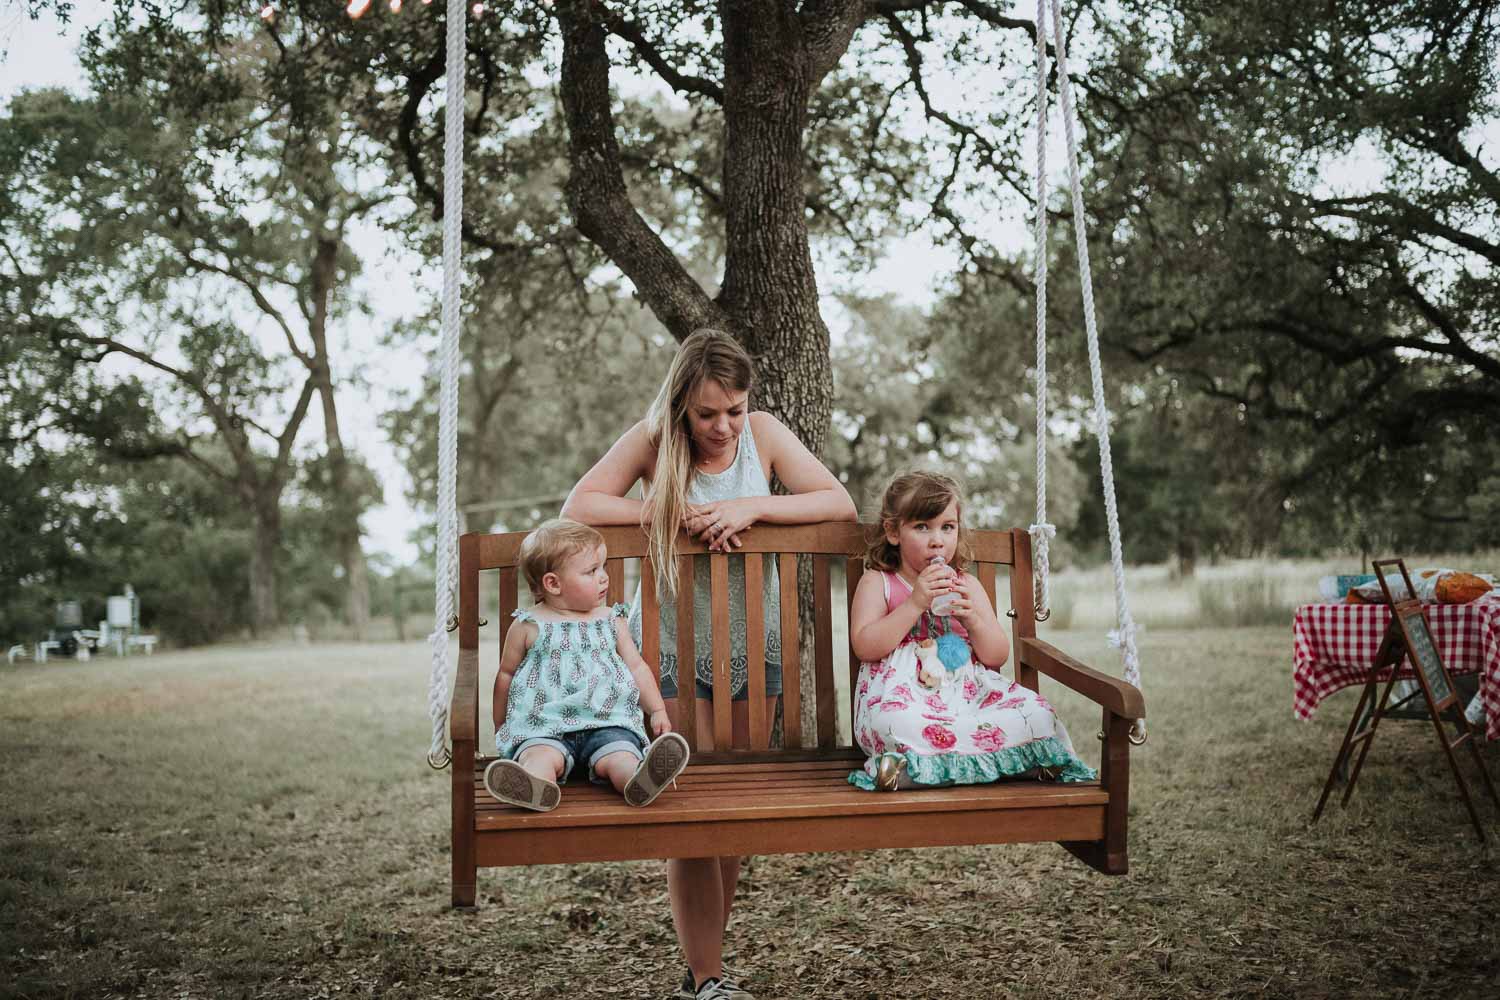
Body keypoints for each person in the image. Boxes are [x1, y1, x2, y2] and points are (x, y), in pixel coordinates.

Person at [562, 328, 857, 1000]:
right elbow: (578, 506)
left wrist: (754, 504)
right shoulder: (652, 439)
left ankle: (705, 966)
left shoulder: (766, 435)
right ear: (680, 408)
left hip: (758, 643)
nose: (722, 427)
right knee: (691, 807)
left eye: (733, 409)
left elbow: (836, 503)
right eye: (705, 414)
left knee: (735, 810)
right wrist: (669, 513)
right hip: (671, 647)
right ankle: (708, 978)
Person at [848, 472, 1095, 791]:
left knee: (1035, 713)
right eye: (922, 526)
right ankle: (934, 767)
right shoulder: (879, 581)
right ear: (893, 531)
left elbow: (996, 655)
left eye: (947, 527)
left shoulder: (966, 584)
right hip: (904, 695)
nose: (937, 540)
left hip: (965, 692)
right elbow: (865, 646)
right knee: (895, 724)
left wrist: (973, 621)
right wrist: (914, 604)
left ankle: (921, 770)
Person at [484, 519, 690, 812]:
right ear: (553, 583)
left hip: (607, 722)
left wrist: (656, 709)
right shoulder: (528, 625)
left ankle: (638, 780)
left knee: (620, 755)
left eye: (603, 567)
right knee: (539, 756)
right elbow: (505, 676)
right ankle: (535, 785)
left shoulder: (611, 619)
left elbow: (637, 667)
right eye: (592, 571)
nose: (603, 577)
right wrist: (502, 724)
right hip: (544, 727)